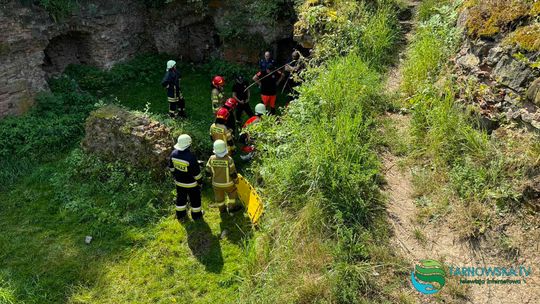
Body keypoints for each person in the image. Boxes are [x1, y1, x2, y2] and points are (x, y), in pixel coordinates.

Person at [167, 134, 203, 220]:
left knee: (181, 198)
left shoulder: (173, 154)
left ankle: (180, 215)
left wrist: (175, 175)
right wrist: (200, 182)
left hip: (179, 183)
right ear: (189, 144)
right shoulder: (191, 157)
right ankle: (196, 216)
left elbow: (171, 168)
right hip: (191, 184)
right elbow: (196, 174)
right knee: (195, 199)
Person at [206, 140, 242, 213]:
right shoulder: (229, 159)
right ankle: (231, 207)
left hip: (216, 184)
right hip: (229, 184)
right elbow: (233, 173)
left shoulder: (211, 158)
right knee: (232, 194)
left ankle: (222, 210)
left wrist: (209, 179)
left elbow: (207, 171)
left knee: (219, 198)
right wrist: (236, 180)